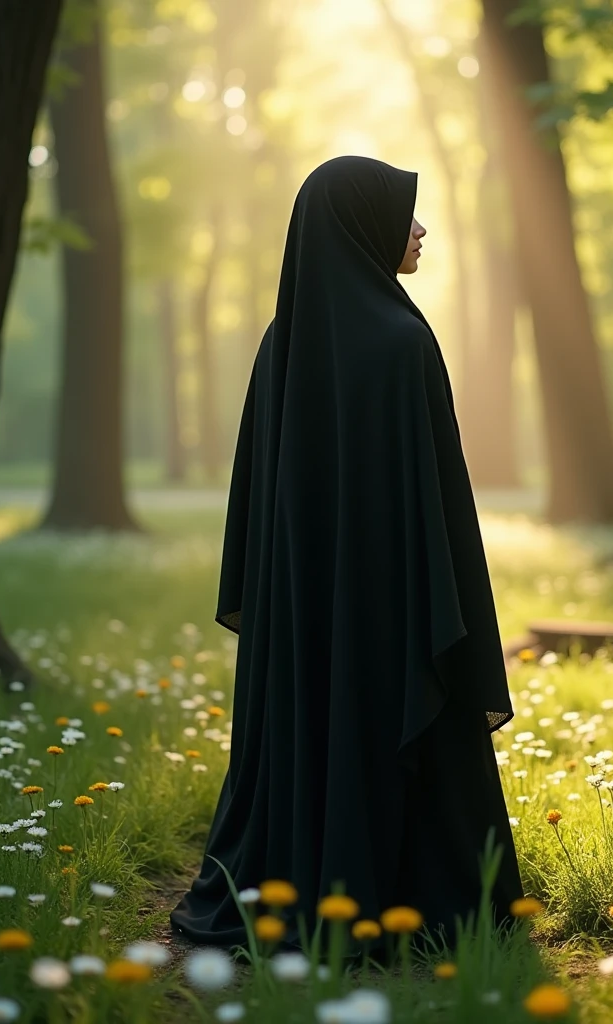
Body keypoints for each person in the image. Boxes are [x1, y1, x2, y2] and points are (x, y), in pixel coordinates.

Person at [170, 154, 524, 959]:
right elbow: (438, 511)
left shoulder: (281, 344)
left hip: (307, 618)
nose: (422, 229)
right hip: (395, 613)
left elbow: (266, 514)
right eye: (406, 214)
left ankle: (301, 878)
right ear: (361, 224)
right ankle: (411, 891)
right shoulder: (401, 343)